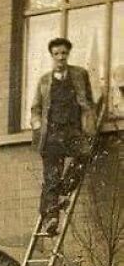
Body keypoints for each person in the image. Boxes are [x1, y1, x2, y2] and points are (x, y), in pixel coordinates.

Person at [30, 37, 96, 236]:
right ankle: (51, 219)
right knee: (51, 176)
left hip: (73, 131)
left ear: (68, 54)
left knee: (85, 154)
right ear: (52, 56)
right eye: (56, 54)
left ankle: (64, 188)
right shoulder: (44, 81)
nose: (60, 57)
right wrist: (37, 124)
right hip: (52, 134)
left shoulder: (79, 75)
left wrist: (90, 124)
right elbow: (35, 108)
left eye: (64, 53)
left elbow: (88, 102)